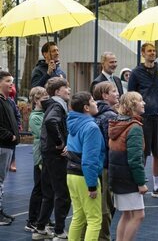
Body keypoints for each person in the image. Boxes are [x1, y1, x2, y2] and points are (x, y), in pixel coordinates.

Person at [128, 42, 158, 200]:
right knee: (142, 154)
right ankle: (137, 185)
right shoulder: (136, 72)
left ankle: (157, 187)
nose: (152, 53)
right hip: (143, 119)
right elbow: (130, 96)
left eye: (154, 51)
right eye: (149, 51)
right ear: (143, 53)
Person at [32, 77, 71, 240]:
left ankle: (40, 228)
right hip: (55, 155)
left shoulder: (51, 105)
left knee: (48, 192)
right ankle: (60, 231)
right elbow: (50, 122)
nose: (69, 90)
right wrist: (60, 143)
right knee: (62, 192)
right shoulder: (57, 105)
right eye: (65, 88)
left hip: (47, 152)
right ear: (57, 92)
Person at [108, 91, 148, 241]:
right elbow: (135, 159)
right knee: (138, 215)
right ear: (132, 105)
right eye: (140, 101)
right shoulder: (134, 127)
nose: (144, 103)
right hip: (128, 177)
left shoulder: (117, 123)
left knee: (127, 213)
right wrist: (140, 183)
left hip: (117, 175)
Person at [66, 91, 105, 241]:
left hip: (71, 174)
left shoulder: (73, 123)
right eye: (93, 101)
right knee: (94, 220)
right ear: (86, 108)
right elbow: (89, 160)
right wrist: (92, 185)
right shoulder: (91, 127)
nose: (96, 103)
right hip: (84, 177)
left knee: (78, 216)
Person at [93, 81, 119, 241]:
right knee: (106, 205)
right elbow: (112, 142)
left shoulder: (95, 112)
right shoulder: (110, 115)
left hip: (96, 164)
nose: (117, 93)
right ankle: (103, 237)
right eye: (114, 91)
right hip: (106, 165)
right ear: (104, 95)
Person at [25, 87, 48, 232]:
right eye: (42, 98)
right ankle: (32, 220)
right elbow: (43, 133)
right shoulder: (35, 117)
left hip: (45, 155)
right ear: (35, 100)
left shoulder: (45, 113)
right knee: (39, 188)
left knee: (45, 188)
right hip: (40, 156)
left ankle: (42, 217)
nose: (45, 99)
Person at [0, 71, 20, 226]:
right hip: (2, 146)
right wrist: (10, 136)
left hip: (7, 147)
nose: (11, 84)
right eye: (8, 81)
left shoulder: (7, 101)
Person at [8, 83, 22, 172]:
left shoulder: (11, 101)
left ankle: (12, 162)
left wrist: (17, 125)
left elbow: (17, 115)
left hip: (11, 127)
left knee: (13, 145)